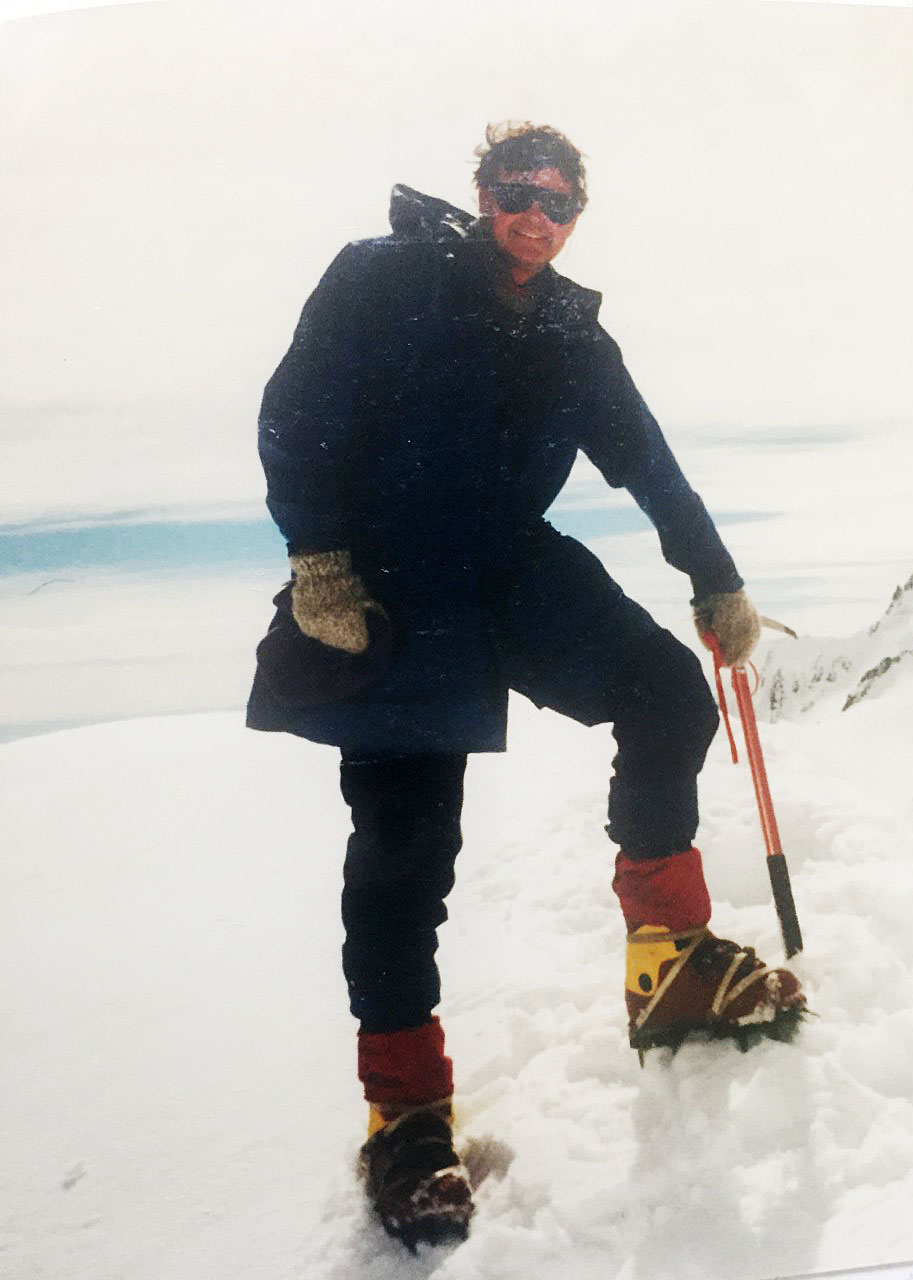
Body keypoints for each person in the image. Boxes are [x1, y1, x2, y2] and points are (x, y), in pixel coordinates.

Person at [247, 122, 805, 1251]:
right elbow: (294, 411)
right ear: (485, 191)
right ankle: (406, 1117)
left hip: (509, 561)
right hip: (391, 576)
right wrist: (318, 557)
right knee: (406, 850)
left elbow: (647, 458)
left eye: (560, 202)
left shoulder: (568, 331)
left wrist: (716, 576)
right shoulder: (383, 276)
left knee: (667, 696)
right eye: (519, 190)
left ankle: (670, 966)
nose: (537, 216)